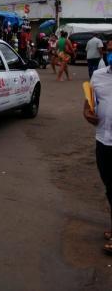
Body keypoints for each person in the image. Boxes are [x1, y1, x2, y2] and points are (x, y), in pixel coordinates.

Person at [84, 39, 112, 254]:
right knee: (109, 187)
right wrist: (87, 113)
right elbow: (89, 105)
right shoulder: (98, 76)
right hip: (104, 140)